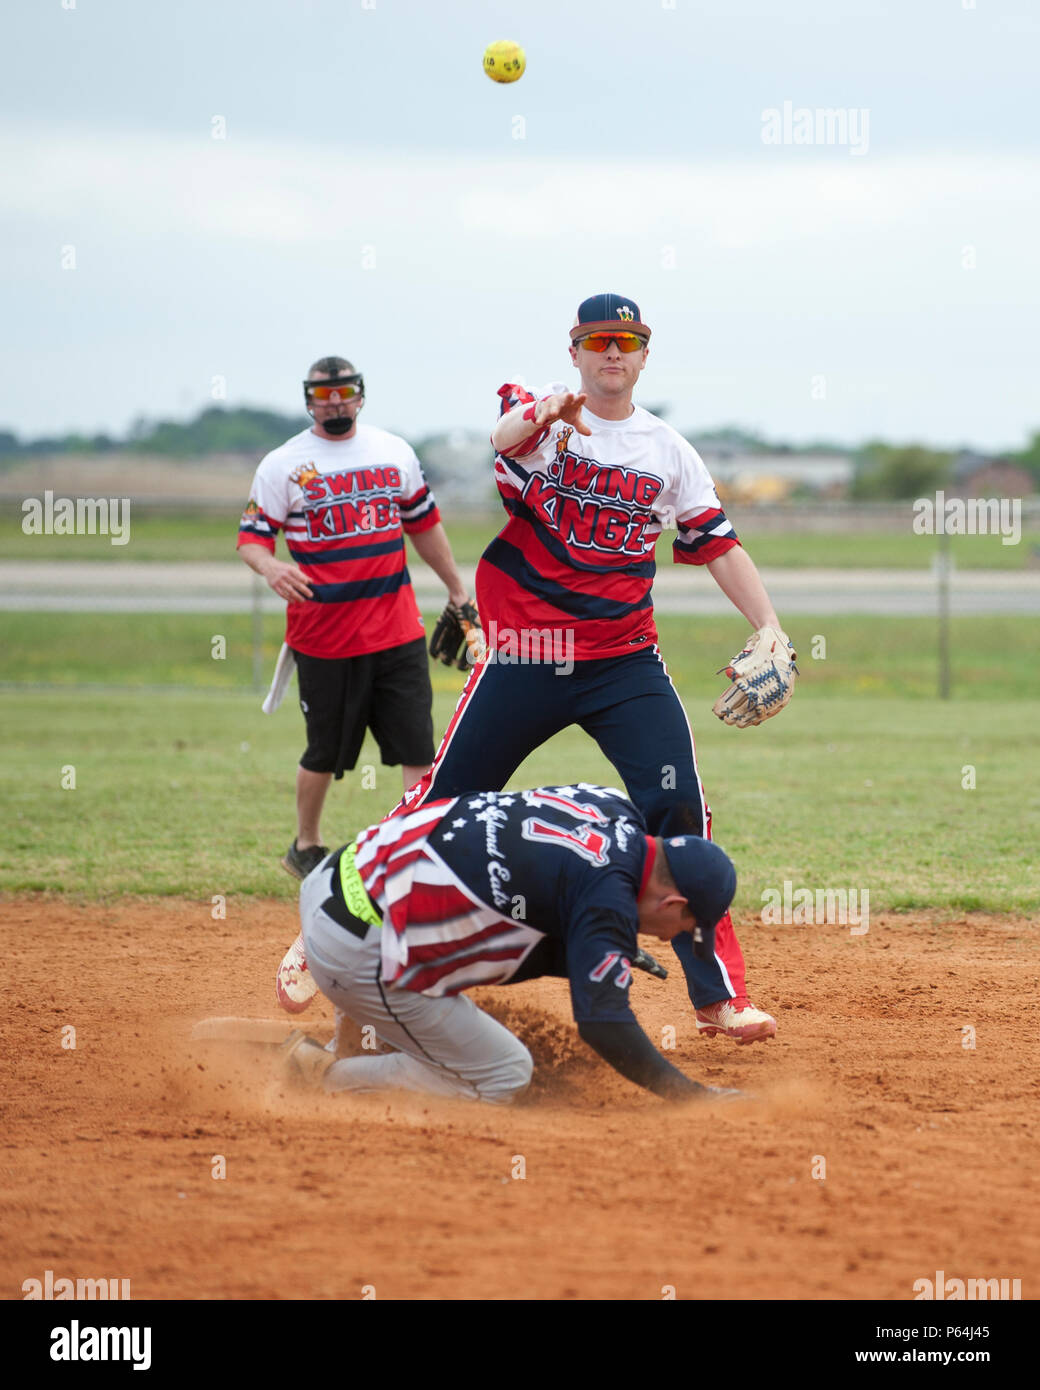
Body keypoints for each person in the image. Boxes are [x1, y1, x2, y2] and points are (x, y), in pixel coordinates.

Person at [395, 294, 796, 1045]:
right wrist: (545, 411)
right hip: (530, 653)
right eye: (599, 340)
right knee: (447, 799)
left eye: (628, 341)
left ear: (644, 356)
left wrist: (768, 624)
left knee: (678, 813)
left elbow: (717, 542)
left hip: (622, 662)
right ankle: (344, 912)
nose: (614, 352)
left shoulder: (668, 450)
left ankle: (718, 997)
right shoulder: (543, 415)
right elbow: (503, 436)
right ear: (575, 350)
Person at [279, 783, 744, 1105]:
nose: (668, 937)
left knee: (467, 942)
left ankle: (349, 1044)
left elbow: (543, 877)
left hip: (340, 876)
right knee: (504, 1073)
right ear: (672, 902)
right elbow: (604, 1024)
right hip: (354, 951)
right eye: (683, 927)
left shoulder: (610, 804)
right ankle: (319, 1076)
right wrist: (690, 1095)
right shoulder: (607, 902)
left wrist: (586, 945)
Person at [237, 355, 476, 882]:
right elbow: (252, 538)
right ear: (309, 401)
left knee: (418, 746)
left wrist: (458, 590)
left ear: (361, 395)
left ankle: (418, 848)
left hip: (397, 629)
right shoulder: (282, 464)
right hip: (323, 635)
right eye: (324, 395)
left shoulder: (393, 452)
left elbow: (424, 526)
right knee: (324, 752)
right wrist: (271, 566)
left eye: (344, 392)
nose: (335, 402)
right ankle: (305, 845)